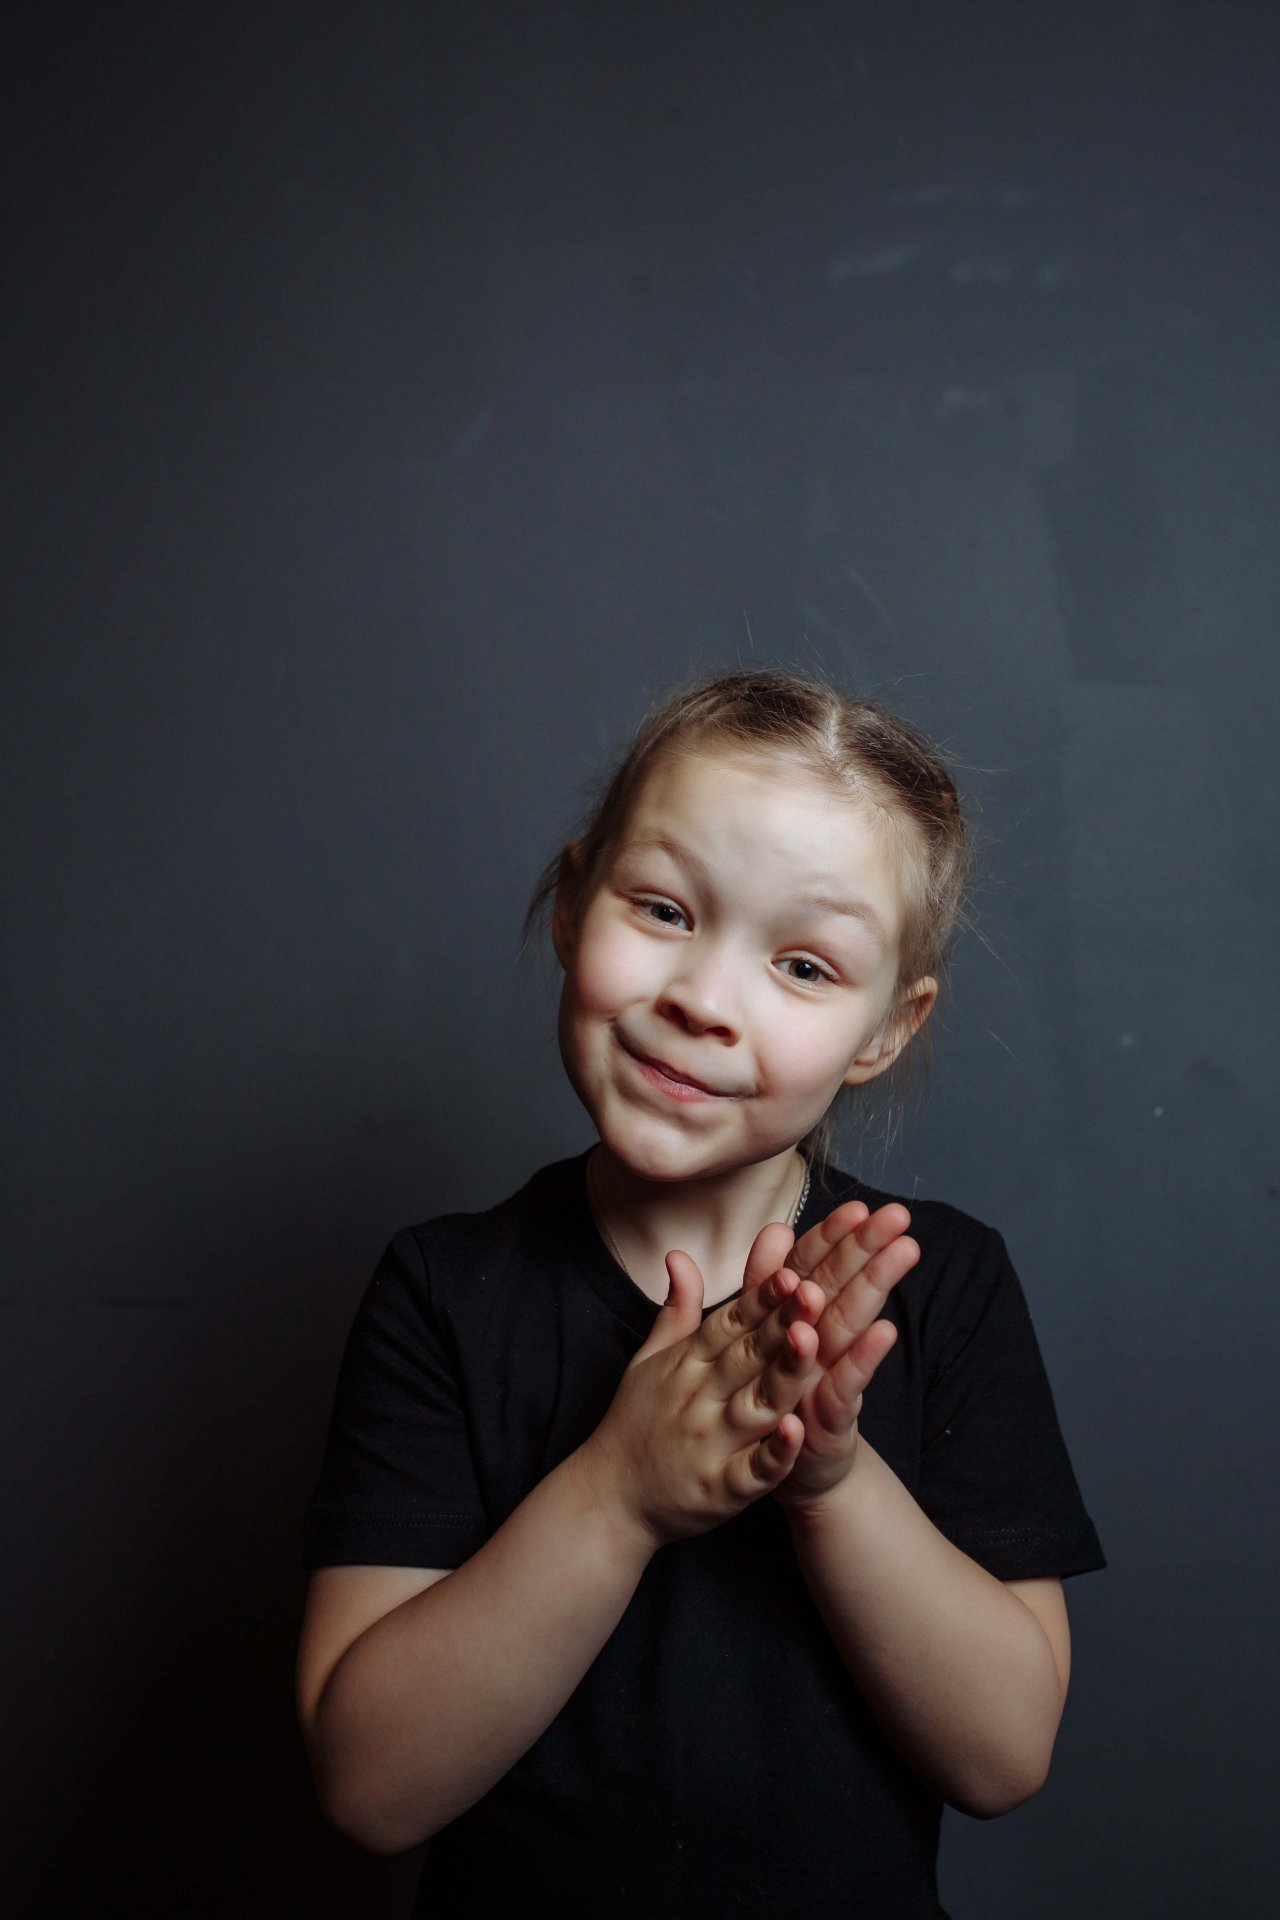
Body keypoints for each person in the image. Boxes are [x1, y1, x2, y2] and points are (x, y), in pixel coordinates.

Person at [296, 667, 1105, 1918]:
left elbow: (1001, 1758)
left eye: (803, 965)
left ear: (885, 1029)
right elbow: (370, 1788)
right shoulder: (443, 1290)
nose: (703, 1000)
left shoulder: (943, 1287)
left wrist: (830, 1480)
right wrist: (619, 1490)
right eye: (664, 910)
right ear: (573, 902)